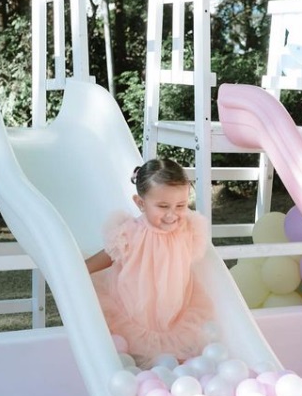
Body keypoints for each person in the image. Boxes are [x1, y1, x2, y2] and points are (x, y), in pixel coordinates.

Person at [86, 157, 214, 367]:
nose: (172, 214)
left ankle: (173, 363)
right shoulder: (130, 231)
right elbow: (111, 254)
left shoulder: (188, 229)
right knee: (135, 342)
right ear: (141, 203)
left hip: (173, 302)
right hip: (136, 300)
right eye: (163, 206)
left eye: (181, 205)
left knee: (177, 339)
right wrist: (84, 268)